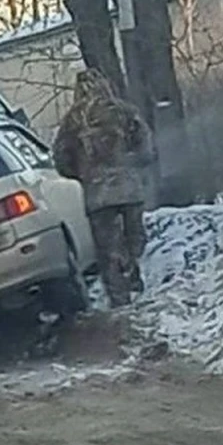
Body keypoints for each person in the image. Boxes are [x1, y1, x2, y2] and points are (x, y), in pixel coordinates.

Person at [52, 68, 155, 307]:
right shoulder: (124, 112)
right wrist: (134, 163)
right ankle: (133, 272)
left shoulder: (72, 121)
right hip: (129, 188)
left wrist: (80, 175)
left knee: (108, 249)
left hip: (97, 194)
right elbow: (146, 148)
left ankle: (120, 299)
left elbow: (60, 158)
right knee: (135, 238)